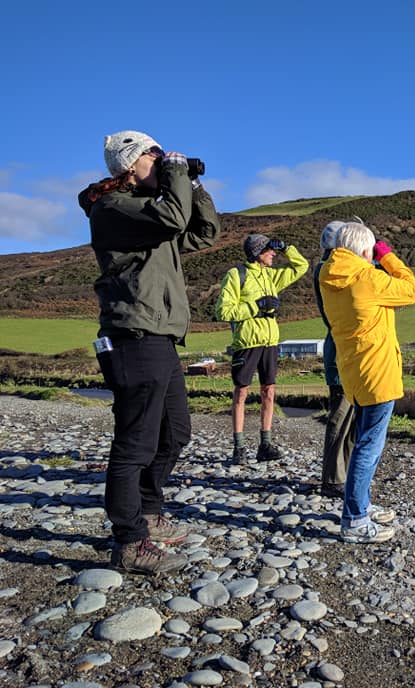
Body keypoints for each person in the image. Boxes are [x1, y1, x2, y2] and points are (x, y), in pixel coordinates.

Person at [79, 130, 221, 574]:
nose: (161, 160)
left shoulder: (148, 214)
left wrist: (193, 184)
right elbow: (174, 219)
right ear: (129, 164)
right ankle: (129, 540)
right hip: (133, 336)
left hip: (159, 336)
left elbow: (203, 231)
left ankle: (149, 511)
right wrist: (176, 174)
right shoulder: (113, 208)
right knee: (135, 443)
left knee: (174, 433)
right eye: (154, 155)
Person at [319, 222, 415, 543]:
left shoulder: (328, 276)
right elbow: (412, 290)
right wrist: (387, 256)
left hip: (353, 370)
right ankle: (355, 519)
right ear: (366, 251)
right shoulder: (369, 278)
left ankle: (360, 503)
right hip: (378, 372)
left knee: (364, 440)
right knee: (368, 446)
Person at [216, 232, 308, 464]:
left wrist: (287, 246)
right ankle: (238, 448)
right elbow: (223, 311)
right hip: (246, 343)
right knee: (241, 393)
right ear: (258, 253)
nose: (274, 254)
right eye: (270, 250)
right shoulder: (236, 275)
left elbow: (301, 266)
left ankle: (264, 444)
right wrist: (255, 307)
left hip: (269, 342)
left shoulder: (271, 276)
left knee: (269, 392)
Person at [313, 220, 355, 498]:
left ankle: (344, 474)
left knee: (349, 417)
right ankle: (332, 478)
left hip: (342, 350)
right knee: (340, 416)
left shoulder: (325, 269)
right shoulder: (329, 272)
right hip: (341, 352)